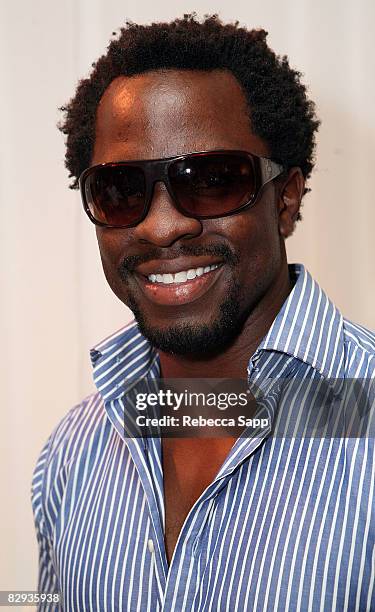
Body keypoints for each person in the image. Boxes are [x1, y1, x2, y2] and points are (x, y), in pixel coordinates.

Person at [31, 14, 375, 611]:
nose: (163, 227)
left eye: (213, 179)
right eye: (120, 190)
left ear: (286, 198)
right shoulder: (72, 455)